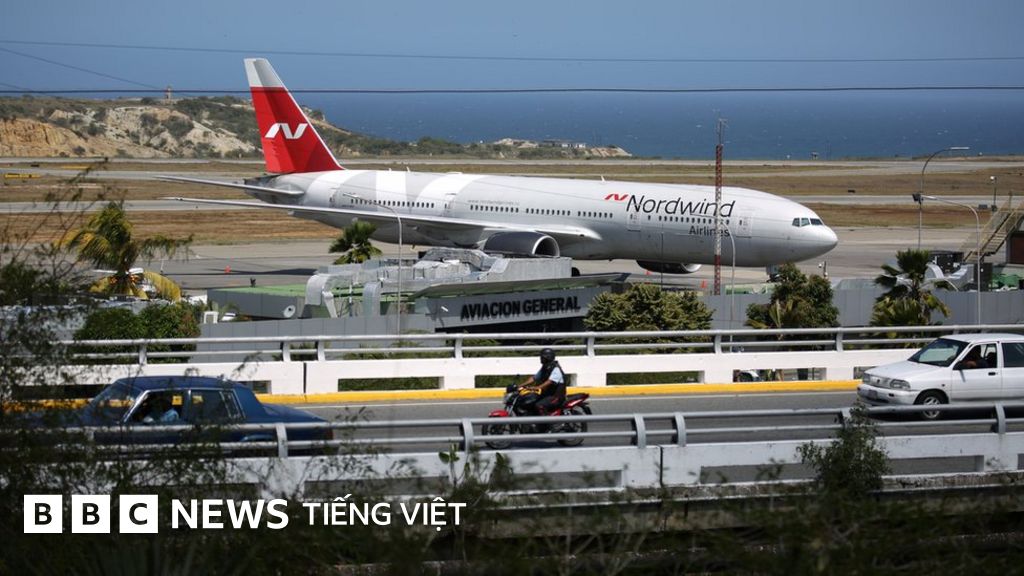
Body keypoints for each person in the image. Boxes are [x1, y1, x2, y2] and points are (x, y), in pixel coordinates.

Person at [518, 348, 566, 416]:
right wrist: (520, 385)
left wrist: (537, 387)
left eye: (542, 357)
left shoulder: (555, 368)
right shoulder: (545, 367)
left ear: (547, 357)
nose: (540, 359)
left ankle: (545, 421)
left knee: (539, 405)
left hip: (556, 397)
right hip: (547, 395)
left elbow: (550, 381)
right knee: (530, 401)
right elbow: (534, 378)